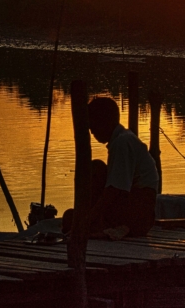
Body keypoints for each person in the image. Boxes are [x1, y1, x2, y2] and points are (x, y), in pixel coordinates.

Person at [62, 97, 159, 238]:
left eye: (93, 124)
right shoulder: (122, 139)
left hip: (136, 216)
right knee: (70, 217)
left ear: (105, 121)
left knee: (96, 169)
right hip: (134, 210)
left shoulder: (122, 142)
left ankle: (100, 226)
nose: (91, 131)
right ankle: (97, 224)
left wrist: (89, 218)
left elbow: (115, 190)